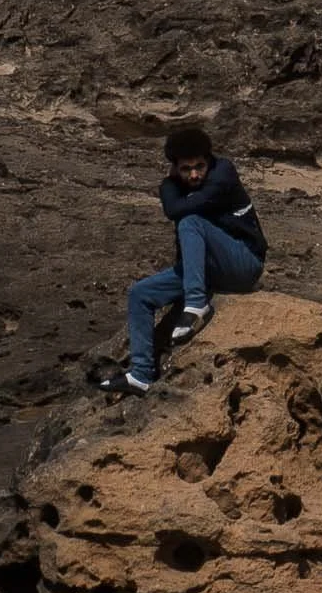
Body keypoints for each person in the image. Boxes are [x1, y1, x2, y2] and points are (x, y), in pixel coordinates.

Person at [93, 126, 266, 394]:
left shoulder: (224, 172)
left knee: (191, 221)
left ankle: (196, 305)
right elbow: (173, 207)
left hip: (244, 262)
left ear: (209, 160)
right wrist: (175, 188)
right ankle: (141, 374)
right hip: (207, 269)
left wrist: (180, 192)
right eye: (186, 169)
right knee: (140, 293)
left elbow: (178, 211)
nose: (195, 174)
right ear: (175, 168)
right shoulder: (170, 186)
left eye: (199, 166)